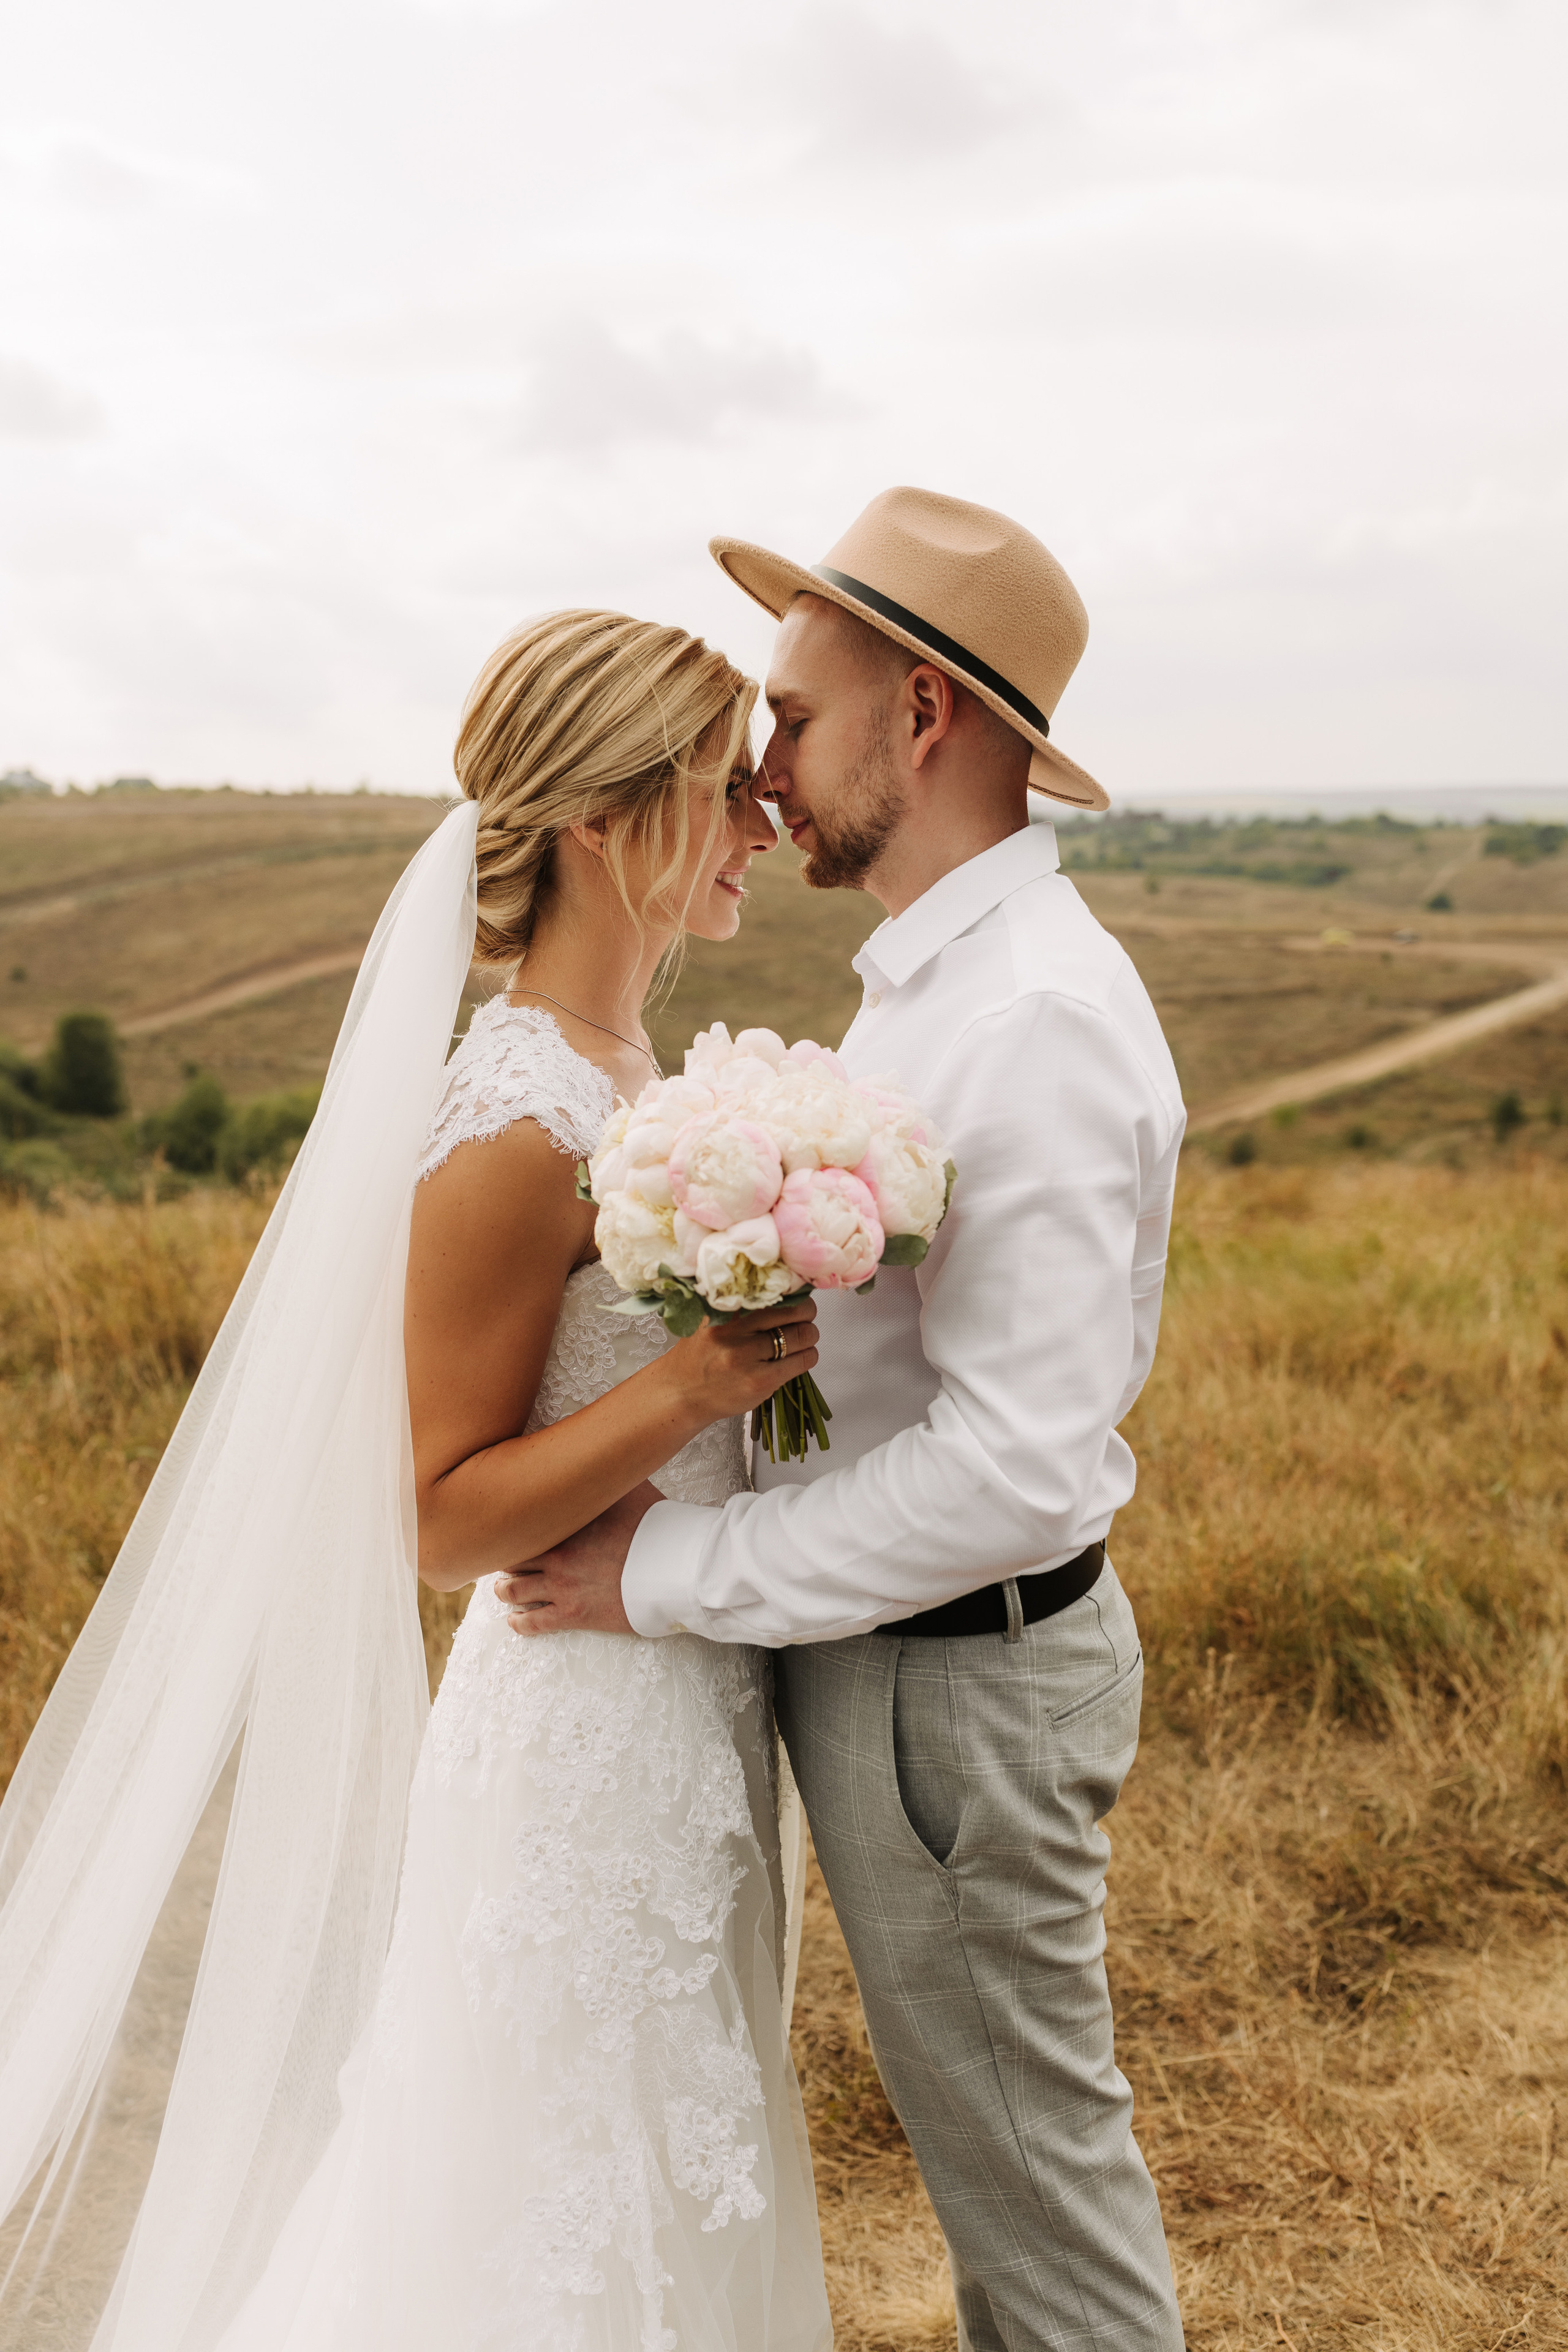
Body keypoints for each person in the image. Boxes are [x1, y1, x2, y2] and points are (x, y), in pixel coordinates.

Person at [0, 611, 833, 2352]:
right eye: (724, 787)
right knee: (538, 2199)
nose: (763, 820)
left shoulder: (634, 1082)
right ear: (608, 823)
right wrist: (692, 1378)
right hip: (579, 1739)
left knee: (666, 2174)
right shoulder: (514, 1120)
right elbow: (434, 1515)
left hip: (689, 1708)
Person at [499, 491, 1189, 2351]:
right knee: (1007, 2187)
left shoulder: (1028, 1017)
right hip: (892, 1672)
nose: (767, 773)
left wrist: (676, 1571)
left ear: (930, 720)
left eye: (795, 723)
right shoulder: (930, 993)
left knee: (1038, 2214)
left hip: (956, 1686)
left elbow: (1016, 1463)